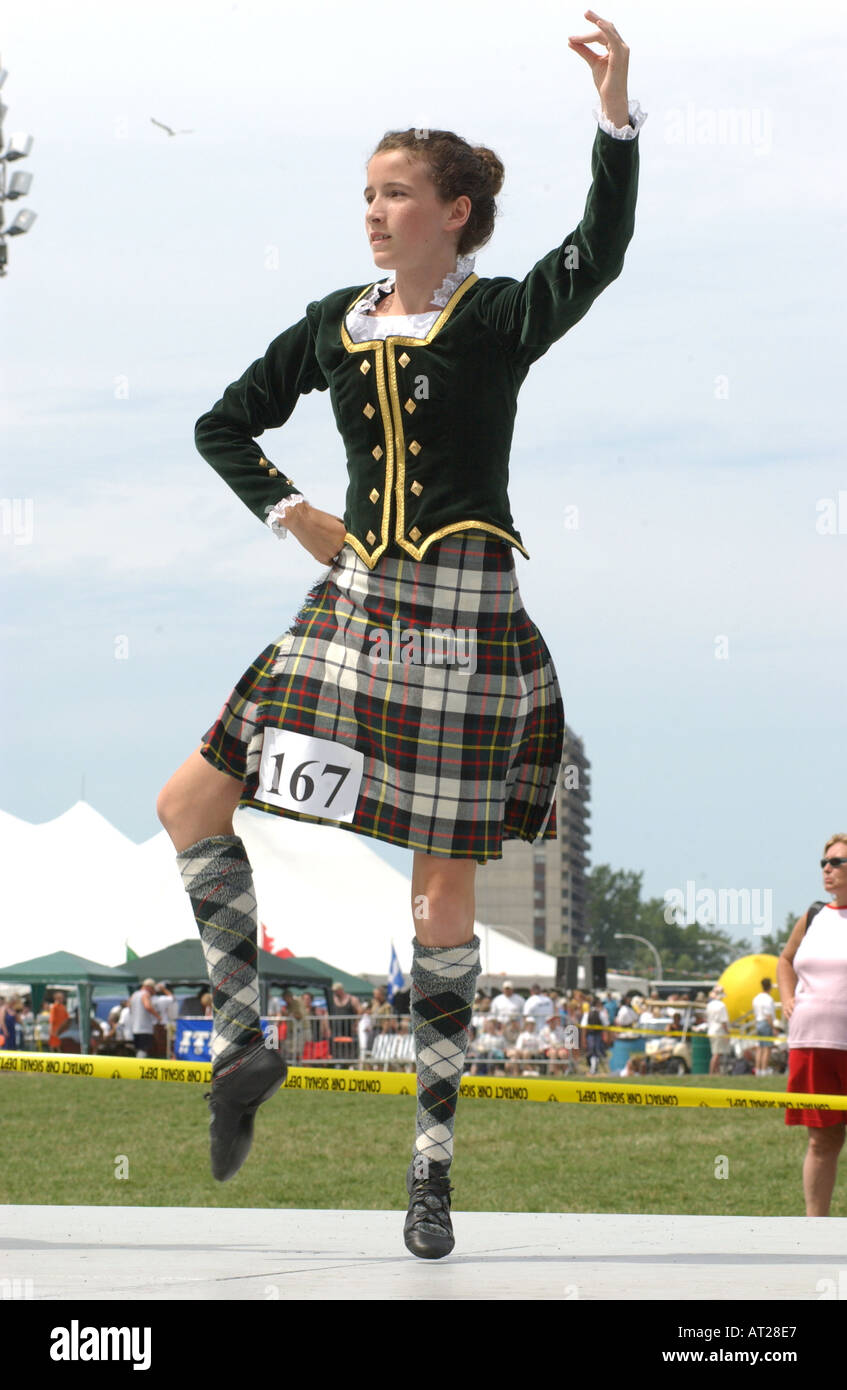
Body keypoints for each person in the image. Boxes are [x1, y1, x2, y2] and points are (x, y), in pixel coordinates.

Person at [154, 11, 644, 1260]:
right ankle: (247, 1033)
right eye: (367, 193)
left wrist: (615, 119)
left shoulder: (497, 318)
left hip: (466, 616)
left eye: (396, 194)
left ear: (458, 212)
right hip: (354, 601)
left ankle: (429, 1173)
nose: (374, 212)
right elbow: (222, 421)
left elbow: (599, 250)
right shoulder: (333, 319)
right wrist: (291, 511)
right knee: (188, 801)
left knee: (439, 893)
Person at [778, 833, 847, 1216]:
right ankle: (815, 1230)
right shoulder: (814, 915)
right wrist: (788, 998)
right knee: (821, 1142)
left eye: (837, 862)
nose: (827, 868)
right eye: (824, 862)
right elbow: (785, 960)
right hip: (810, 1046)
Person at [128, 979, 159, 1058]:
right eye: (152, 989)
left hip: (135, 1027)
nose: (153, 991)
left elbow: (129, 1006)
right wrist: (158, 1016)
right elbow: (148, 1006)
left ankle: (137, 1064)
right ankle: (140, 1066)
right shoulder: (145, 994)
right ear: (149, 987)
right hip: (144, 1027)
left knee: (139, 1049)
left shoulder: (134, 994)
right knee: (143, 1049)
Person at [752, 978, 777, 1075]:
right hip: (765, 1023)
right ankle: (764, 1069)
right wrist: (773, 1028)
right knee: (767, 1048)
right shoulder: (768, 999)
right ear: (769, 987)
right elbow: (768, 1016)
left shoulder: (756, 998)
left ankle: (758, 1069)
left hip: (758, 1022)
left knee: (759, 1048)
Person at [706, 985, 731, 1076]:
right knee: (717, 1054)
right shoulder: (721, 1006)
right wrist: (728, 1033)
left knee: (715, 1052)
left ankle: (717, 1072)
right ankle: (712, 1072)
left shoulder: (709, 1005)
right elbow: (723, 1021)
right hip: (718, 1031)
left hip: (711, 1031)